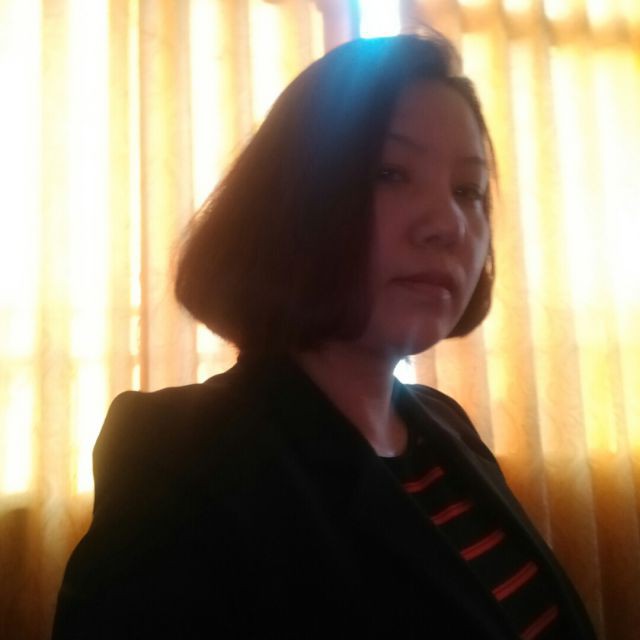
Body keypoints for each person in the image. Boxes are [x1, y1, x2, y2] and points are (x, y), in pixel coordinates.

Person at [52, 33, 596, 639]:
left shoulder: (445, 425)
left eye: (468, 190)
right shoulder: (180, 457)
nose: (448, 224)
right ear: (290, 204)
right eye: (390, 173)